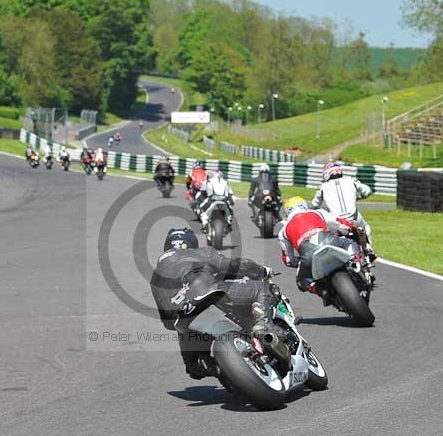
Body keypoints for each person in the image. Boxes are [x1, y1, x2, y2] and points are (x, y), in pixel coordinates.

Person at [150, 228, 281, 379]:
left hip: (185, 319)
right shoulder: (197, 252)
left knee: (195, 365)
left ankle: (225, 372)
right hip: (208, 294)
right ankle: (263, 324)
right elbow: (235, 266)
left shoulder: (155, 278)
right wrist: (261, 270)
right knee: (264, 288)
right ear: (191, 242)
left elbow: (167, 322)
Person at [278, 196, 357, 292]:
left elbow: (288, 260)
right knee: (351, 243)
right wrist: (348, 229)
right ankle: (355, 261)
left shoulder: (283, 231)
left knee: (301, 281)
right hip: (330, 242)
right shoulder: (317, 212)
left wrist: (298, 262)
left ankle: (319, 290)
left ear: (287, 212)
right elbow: (339, 223)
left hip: (308, 256)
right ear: (304, 206)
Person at [311, 162, 373, 252]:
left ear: (327, 173)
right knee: (365, 226)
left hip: (337, 221)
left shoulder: (322, 187)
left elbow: (314, 205)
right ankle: (368, 247)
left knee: (326, 233)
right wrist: (359, 197)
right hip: (354, 219)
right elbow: (367, 191)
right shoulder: (352, 180)